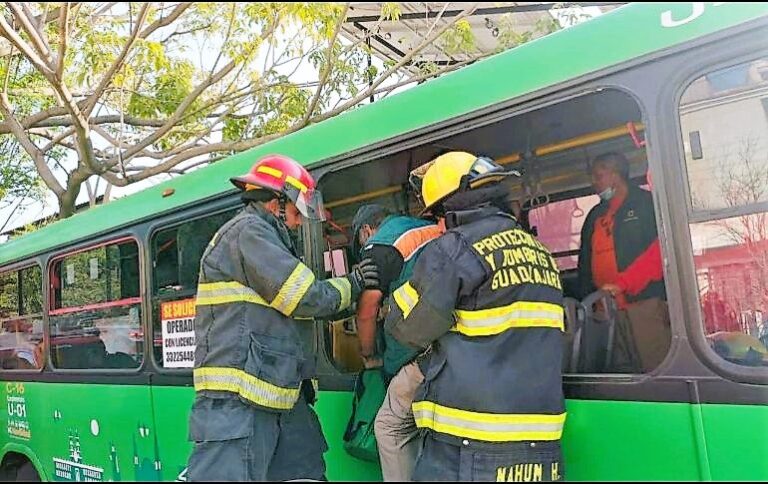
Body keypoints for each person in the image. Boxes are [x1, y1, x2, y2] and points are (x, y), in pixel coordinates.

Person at [187, 154, 379, 482]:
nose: (298, 221)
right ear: (277, 200)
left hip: (281, 396)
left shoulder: (267, 239)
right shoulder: (249, 233)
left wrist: (346, 301)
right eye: (295, 211)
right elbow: (304, 297)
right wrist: (354, 283)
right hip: (239, 405)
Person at [386, 151, 566, 481]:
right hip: (542, 444)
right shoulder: (539, 252)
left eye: (436, 215)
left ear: (450, 208)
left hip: (469, 445)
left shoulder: (455, 249)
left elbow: (405, 327)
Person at [349, 202, 442, 481]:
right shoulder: (431, 229)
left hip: (421, 352)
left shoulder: (379, 245)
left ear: (367, 230)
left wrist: (369, 355)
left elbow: (367, 311)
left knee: (389, 427)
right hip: (459, 344)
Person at [577, 152, 670, 373]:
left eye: (599, 176)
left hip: (644, 306)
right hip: (604, 311)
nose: (594, 183)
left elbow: (660, 252)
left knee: (654, 367)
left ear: (616, 175)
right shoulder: (594, 215)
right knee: (618, 373)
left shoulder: (646, 204)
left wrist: (624, 283)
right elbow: (585, 263)